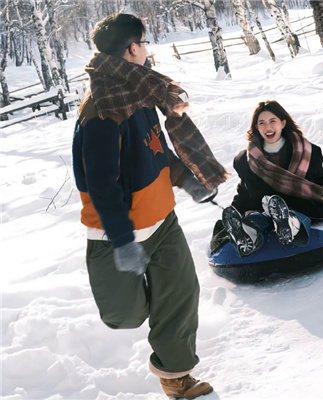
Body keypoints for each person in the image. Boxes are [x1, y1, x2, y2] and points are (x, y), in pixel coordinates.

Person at [72, 13, 227, 399]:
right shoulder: (102, 111)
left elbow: (153, 148)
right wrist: (123, 241)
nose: (146, 50)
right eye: (144, 43)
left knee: (181, 295)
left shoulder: (138, 91)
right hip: (116, 235)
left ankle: (176, 378)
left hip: (162, 223)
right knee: (124, 315)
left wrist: (187, 179)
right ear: (132, 49)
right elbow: (101, 185)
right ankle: (129, 298)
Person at [220, 100, 323, 257]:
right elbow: (244, 190)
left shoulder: (307, 152)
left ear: (283, 123)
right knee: (256, 218)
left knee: (294, 213)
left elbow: (320, 178)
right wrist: (233, 213)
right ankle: (248, 235)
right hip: (262, 208)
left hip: (298, 204)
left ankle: (290, 224)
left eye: (272, 121)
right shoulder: (245, 160)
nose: (267, 127)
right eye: (261, 123)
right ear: (256, 127)